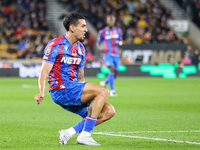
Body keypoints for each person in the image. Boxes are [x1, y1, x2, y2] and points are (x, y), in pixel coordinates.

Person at [34, 11, 115, 146]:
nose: (86, 30)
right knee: (103, 91)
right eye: (83, 26)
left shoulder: (81, 49)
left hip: (74, 89)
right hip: (60, 89)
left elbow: (80, 76)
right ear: (72, 27)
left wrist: (89, 96)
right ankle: (85, 135)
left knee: (108, 111)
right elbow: (44, 71)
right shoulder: (55, 45)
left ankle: (69, 132)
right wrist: (41, 92)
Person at [97, 14, 123, 97]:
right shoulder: (103, 31)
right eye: (110, 20)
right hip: (108, 54)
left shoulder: (118, 30)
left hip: (116, 54)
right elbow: (98, 42)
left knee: (115, 73)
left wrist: (120, 43)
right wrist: (100, 48)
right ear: (107, 21)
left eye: (113, 20)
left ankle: (104, 82)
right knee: (111, 69)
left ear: (114, 21)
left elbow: (121, 41)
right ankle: (112, 90)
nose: (111, 22)